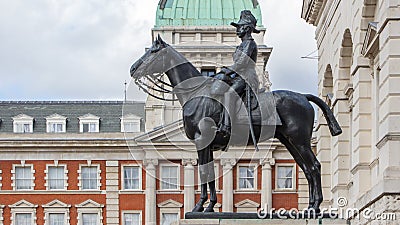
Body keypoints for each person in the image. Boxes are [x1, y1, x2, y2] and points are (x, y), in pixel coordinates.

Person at [217, 10, 260, 137]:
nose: (237, 29)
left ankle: (226, 127)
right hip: (239, 77)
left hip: (247, 78)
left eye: (240, 27)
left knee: (229, 93)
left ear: (246, 28)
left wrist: (225, 71)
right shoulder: (240, 46)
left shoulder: (250, 44)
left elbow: (241, 63)